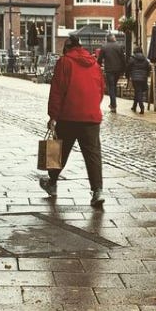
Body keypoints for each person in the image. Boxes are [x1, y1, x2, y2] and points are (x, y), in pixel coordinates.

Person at [41, 33, 107, 207]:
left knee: (59, 152)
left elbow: (57, 91)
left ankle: (52, 184)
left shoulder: (64, 62)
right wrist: (91, 107)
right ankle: (97, 191)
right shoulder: (94, 64)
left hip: (69, 116)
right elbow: (101, 89)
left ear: (67, 47)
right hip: (91, 117)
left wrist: (53, 116)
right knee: (93, 155)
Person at [97, 33, 127, 112]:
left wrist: (99, 66)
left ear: (107, 39)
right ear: (113, 38)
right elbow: (123, 59)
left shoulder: (104, 47)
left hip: (109, 70)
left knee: (111, 87)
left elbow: (99, 59)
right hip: (118, 70)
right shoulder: (119, 46)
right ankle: (113, 103)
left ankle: (113, 105)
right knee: (114, 86)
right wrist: (123, 70)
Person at [127, 44, 151, 114]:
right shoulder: (145, 59)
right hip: (143, 78)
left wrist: (128, 75)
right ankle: (134, 106)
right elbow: (148, 68)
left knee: (138, 92)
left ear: (134, 51)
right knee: (138, 91)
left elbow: (128, 67)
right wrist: (146, 74)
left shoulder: (132, 59)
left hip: (135, 78)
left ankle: (141, 107)